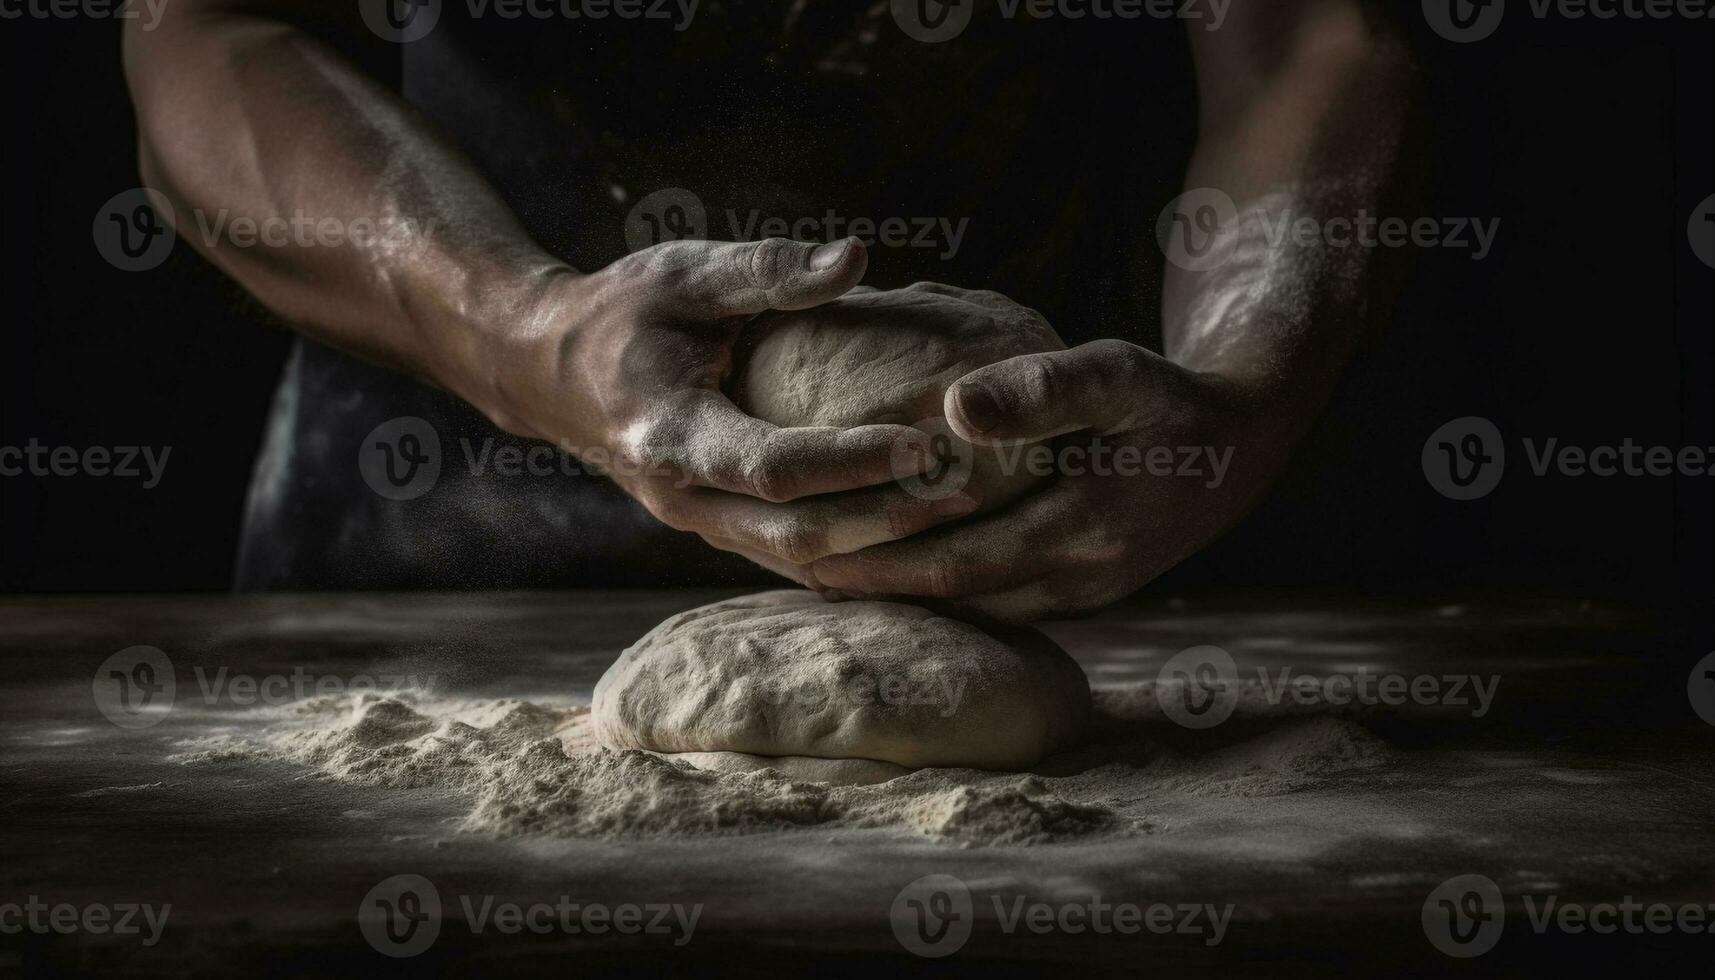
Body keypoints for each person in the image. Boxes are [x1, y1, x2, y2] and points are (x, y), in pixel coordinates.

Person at [122, 0, 1415, 620]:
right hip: (436, 550)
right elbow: (201, 34)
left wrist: (1243, 382)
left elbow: (1310, 37)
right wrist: (516, 333)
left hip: (1039, 531)